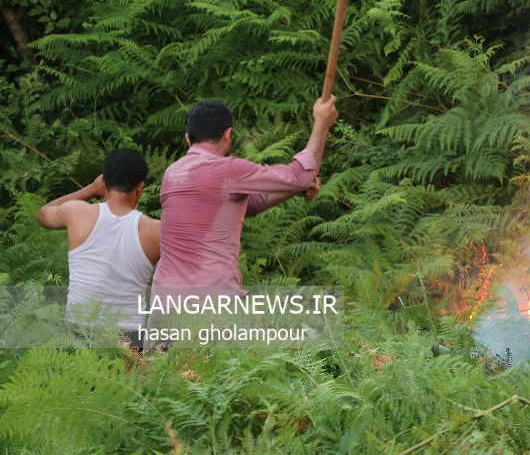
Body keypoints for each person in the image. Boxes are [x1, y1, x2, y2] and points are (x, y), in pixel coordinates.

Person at [151, 97, 337, 292]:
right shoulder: (227, 169)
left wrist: (295, 190)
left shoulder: (171, 174)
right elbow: (299, 175)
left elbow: (252, 205)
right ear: (228, 135)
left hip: (164, 303)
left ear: (188, 138)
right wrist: (321, 124)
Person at [36, 148, 160, 344]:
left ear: (103, 182)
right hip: (128, 340)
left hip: (78, 334)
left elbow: (43, 214)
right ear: (140, 187)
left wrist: (90, 190)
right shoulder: (156, 231)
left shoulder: (76, 213)